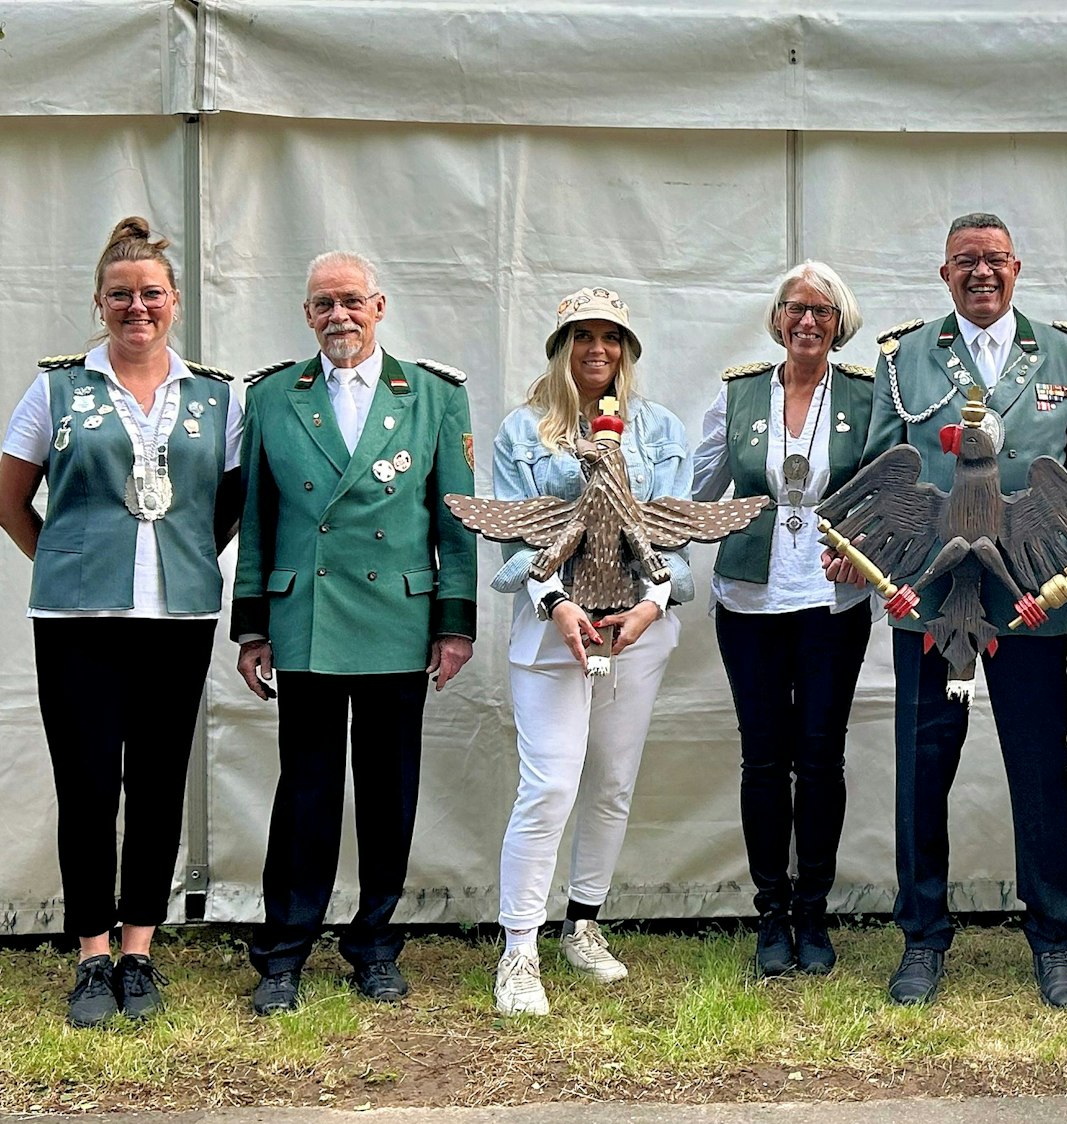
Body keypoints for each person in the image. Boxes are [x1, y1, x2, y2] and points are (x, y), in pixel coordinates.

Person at [829, 212, 1067, 1008]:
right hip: (929, 595)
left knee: (1039, 764)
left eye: (995, 260)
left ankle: (1054, 939)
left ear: (1017, 268)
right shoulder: (904, 358)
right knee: (923, 769)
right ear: (944, 273)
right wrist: (860, 548)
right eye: (967, 262)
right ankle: (922, 938)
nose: (982, 273)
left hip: (1029, 596)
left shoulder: (1065, 355)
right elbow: (875, 467)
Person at [0, 217, 241, 1027]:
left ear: (172, 301)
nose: (136, 308)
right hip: (77, 619)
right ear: (98, 304)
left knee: (160, 783)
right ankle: (92, 956)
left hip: (179, 615)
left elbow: (229, 500)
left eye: (150, 295)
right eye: (120, 296)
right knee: (89, 785)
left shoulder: (216, 395)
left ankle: (140, 950)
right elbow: (9, 496)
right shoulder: (58, 388)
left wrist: (190, 557)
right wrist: (63, 559)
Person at [232, 250, 477, 1015]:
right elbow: (257, 520)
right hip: (305, 616)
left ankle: (374, 943)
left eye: (350, 301)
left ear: (379, 305)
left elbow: (456, 521)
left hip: (398, 616)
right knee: (304, 790)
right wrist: (251, 628)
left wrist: (454, 624)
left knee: (388, 788)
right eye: (321, 305)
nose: (337, 316)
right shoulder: (273, 396)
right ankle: (284, 949)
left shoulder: (434, 396)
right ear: (307, 316)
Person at [487, 287, 694, 1016]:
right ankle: (518, 949)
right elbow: (515, 541)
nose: (596, 350)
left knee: (610, 781)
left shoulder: (661, 430)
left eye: (611, 337)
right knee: (549, 784)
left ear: (628, 351)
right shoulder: (525, 432)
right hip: (552, 632)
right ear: (561, 346)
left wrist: (649, 605)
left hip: (634, 632)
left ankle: (583, 923)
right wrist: (559, 601)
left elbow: (673, 541)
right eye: (582, 336)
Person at [691, 263, 875, 977]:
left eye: (822, 312)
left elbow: (895, 478)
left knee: (821, 756)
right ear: (777, 319)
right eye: (796, 309)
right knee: (764, 758)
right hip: (750, 601)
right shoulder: (738, 394)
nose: (807, 322)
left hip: (834, 601)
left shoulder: (863, 392)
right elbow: (698, 491)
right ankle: (771, 913)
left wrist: (871, 551)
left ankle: (813, 912)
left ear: (838, 323)